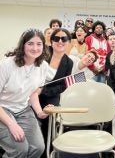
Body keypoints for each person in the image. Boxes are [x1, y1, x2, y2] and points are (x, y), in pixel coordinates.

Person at [0, 29, 50, 158]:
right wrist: (12, 124)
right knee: (20, 150)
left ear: (43, 46)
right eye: (30, 43)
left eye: (39, 44)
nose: (35, 48)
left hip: (23, 110)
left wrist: (40, 112)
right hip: (3, 110)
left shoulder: (43, 66)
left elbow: (33, 93)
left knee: (38, 148)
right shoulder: (6, 65)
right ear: (23, 45)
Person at [39, 28, 73, 158]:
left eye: (64, 39)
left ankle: (45, 154)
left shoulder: (68, 62)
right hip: (30, 95)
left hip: (51, 97)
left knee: (47, 128)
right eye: (56, 38)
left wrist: (44, 90)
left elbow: (63, 85)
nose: (60, 41)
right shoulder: (42, 54)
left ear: (68, 42)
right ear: (51, 41)